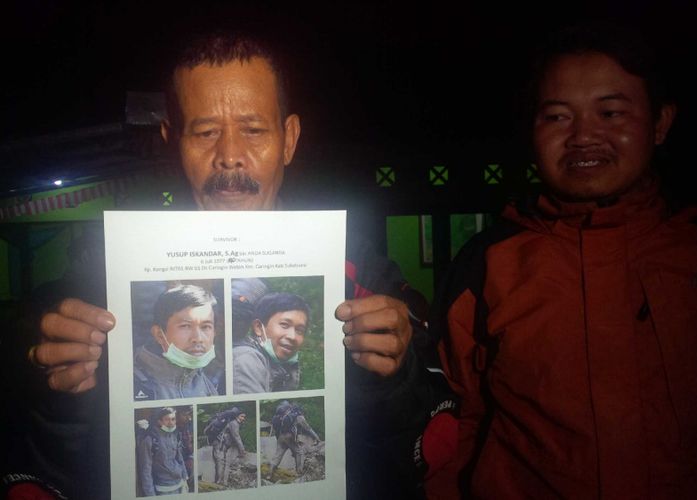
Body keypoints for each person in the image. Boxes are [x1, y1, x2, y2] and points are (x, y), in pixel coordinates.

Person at [17, 30, 451, 500]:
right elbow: (50, 468)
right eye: (204, 132)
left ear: (289, 139)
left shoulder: (361, 274)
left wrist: (398, 379)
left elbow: (431, 446)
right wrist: (57, 400)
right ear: (170, 141)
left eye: (253, 130)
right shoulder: (99, 284)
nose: (228, 156)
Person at [428, 24, 697, 498]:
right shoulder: (489, 262)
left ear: (660, 122)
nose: (583, 137)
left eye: (611, 112)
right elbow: (451, 420)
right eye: (557, 117)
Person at [134, 284, 220, 400]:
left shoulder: (203, 380)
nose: (198, 338)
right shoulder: (133, 382)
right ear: (159, 335)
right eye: (185, 326)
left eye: (205, 327)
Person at [233, 292, 309, 393]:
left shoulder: (281, 365)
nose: (292, 336)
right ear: (258, 327)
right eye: (284, 325)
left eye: (299, 330)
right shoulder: (246, 359)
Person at [137, 408, 189, 496]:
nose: (171, 423)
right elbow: (146, 470)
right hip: (164, 489)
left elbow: (179, 458)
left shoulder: (174, 435)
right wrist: (151, 495)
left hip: (180, 484)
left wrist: (185, 478)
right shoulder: (150, 440)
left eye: (173, 419)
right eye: (167, 419)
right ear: (159, 421)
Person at [268, 400, 321, 480]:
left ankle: (269, 473)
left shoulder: (281, 416)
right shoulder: (297, 416)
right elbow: (308, 428)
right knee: (299, 452)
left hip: (281, 437)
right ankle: (299, 473)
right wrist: (317, 437)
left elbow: (277, 430)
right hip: (289, 436)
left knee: (277, 455)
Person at [210, 408, 247, 486]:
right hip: (219, 444)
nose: (243, 418)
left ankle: (220, 481)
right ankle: (219, 482)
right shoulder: (234, 424)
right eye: (242, 416)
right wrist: (242, 450)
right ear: (237, 416)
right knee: (220, 462)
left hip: (221, 444)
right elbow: (237, 437)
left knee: (221, 462)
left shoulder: (233, 423)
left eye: (244, 417)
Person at [175, 408, 194, 491]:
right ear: (177, 414)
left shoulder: (188, 427)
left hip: (187, 459)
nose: (188, 417)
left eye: (189, 415)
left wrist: (190, 457)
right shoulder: (172, 428)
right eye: (185, 414)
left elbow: (190, 446)